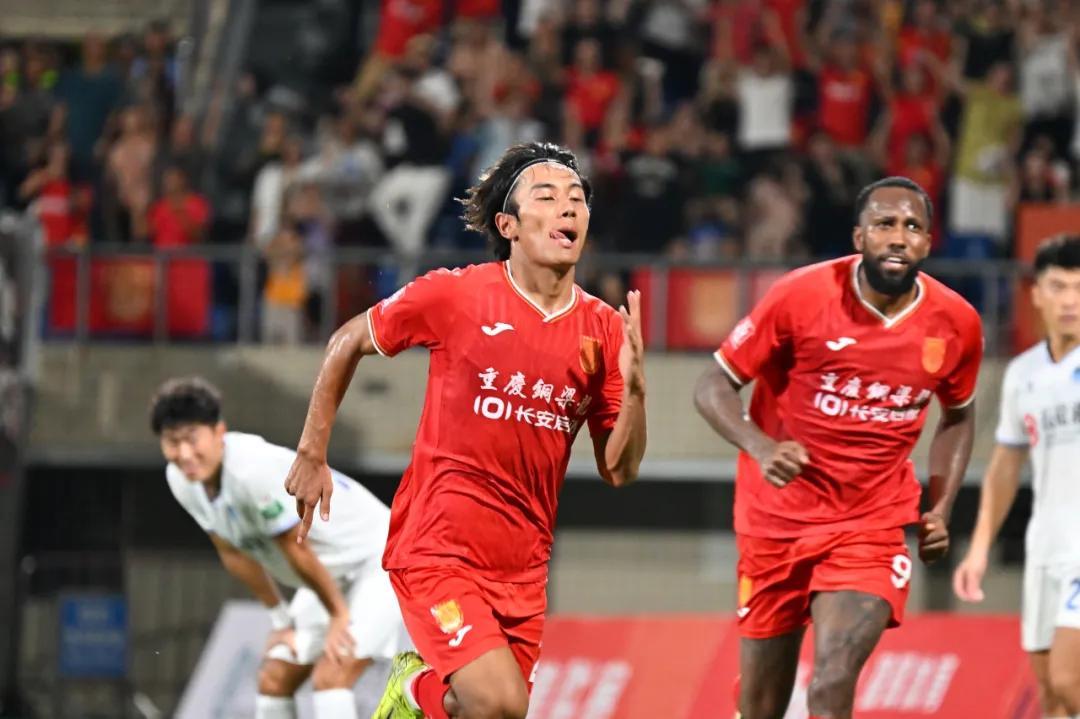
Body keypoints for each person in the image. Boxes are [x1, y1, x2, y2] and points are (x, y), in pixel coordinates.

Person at [283, 141, 647, 719]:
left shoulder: (604, 329)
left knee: (489, 711)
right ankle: (412, 688)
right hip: (437, 548)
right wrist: (312, 450)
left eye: (577, 199)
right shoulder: (457, 294)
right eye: (547, 197)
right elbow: (348, 339)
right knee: (499, 701)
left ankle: (417, 698)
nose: (567, 208)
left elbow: (619, 469)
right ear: (508, 225)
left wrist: (636, 394)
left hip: (523, 568)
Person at [694, 176, 983, 719]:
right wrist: (761, 447)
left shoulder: (957, 323)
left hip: (869, 527)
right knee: (760, 708)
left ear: (927, 242)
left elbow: (959, 415)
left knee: (832, 679)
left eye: (912, 226)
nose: (898, 237)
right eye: (884, 224)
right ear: (859, 236)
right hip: (774, 523)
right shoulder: (801, 296)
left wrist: (941, 507)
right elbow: (712, 385)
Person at [150, 377, 411, 719]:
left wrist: (338, 616)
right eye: (173, 442)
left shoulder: (250, 469)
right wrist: (280, 619)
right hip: (330, 578)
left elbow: (295, 546)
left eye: (191, 439)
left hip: (381, 558)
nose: (184, 453)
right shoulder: (181, 480)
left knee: (331, 676)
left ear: (218, 431)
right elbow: (233, 553)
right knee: (274, 678)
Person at [954, 234, 1080, 718]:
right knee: (1050, 693)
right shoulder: (1023, 373)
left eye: (1078, 288)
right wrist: (979, 547)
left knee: (1070, 678)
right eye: (1058, 287)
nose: (1069, 300)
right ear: (1037, 294)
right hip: (1045, 546)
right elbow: (1006, 466)